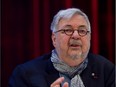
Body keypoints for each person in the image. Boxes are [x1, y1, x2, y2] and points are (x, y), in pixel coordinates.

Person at [9, 8, 115, 87]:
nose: (76, 36)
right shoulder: (25, 74)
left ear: (90, 38)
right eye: (68, 30)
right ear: (54, 39)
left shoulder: (106, 70)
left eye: (82, 31)